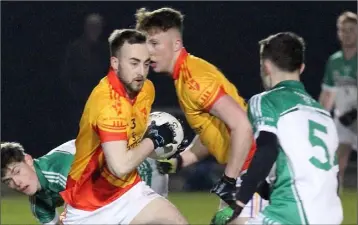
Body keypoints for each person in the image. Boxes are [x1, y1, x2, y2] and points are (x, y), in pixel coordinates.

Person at [135, 7, 267, 223]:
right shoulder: (186, 75)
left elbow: (242, 126)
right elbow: (212, 130)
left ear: (176, 43)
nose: (148, 52)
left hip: (254, 172)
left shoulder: (194, 80)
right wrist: (181, 161)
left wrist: (229, 180)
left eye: (155, 43)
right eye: (145, 44)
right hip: (249, 170)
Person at [59, 29, 188, 224]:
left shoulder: (146, 89)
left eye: (146, 64)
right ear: (115, 63)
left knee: (176, 221)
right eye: (134, 63)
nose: (141, 72)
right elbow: (120, 166)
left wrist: (165, 144)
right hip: (89, 204)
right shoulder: (108, 105)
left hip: (127, 190)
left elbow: (133, 135)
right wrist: (155, 140)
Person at [213, 32, 343, 225]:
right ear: (301, 68)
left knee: (225, 222)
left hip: (292, 215)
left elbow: (267, 150)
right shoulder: (322, 114)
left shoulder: (266, 100)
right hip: (332, 214)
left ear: (265, 67)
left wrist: (239, 201)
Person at [318, 11, 357, 192]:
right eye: (343, 30)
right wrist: (318, 118)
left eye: (351, 30)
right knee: (336, 163)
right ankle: (333, 204)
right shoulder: (334, 61)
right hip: (343, 119)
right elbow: (328, 94)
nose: (347, 34)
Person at [1, 140, 76, 225]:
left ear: (28, 160)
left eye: (17, 171)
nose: (17, 183)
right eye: (8, 181)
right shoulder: (39, 205)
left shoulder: (61, 172)